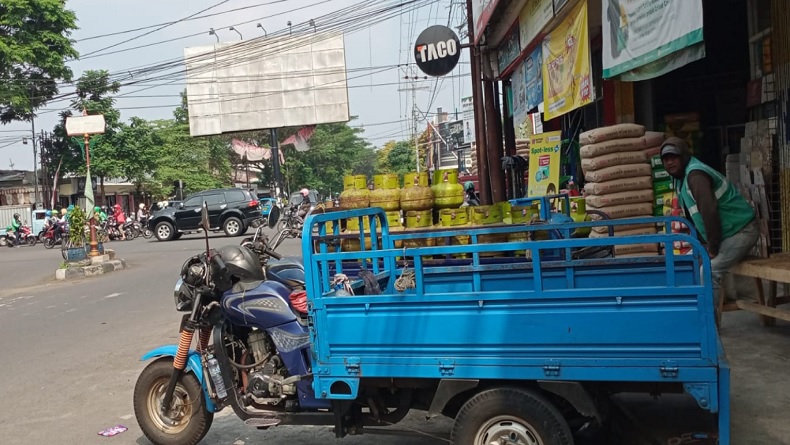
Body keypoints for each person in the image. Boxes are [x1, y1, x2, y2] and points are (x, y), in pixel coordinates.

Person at [660, 137, 759, 299]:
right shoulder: (681, 178)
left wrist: (712, 247)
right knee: (690, 262)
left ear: (684, 156)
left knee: (709, 270)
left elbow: (709, 211)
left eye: (674, 157)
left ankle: (709, 323)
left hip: (743, 230)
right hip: (728, 233)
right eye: (666, 159)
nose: (670, 162)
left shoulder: (695, 176)